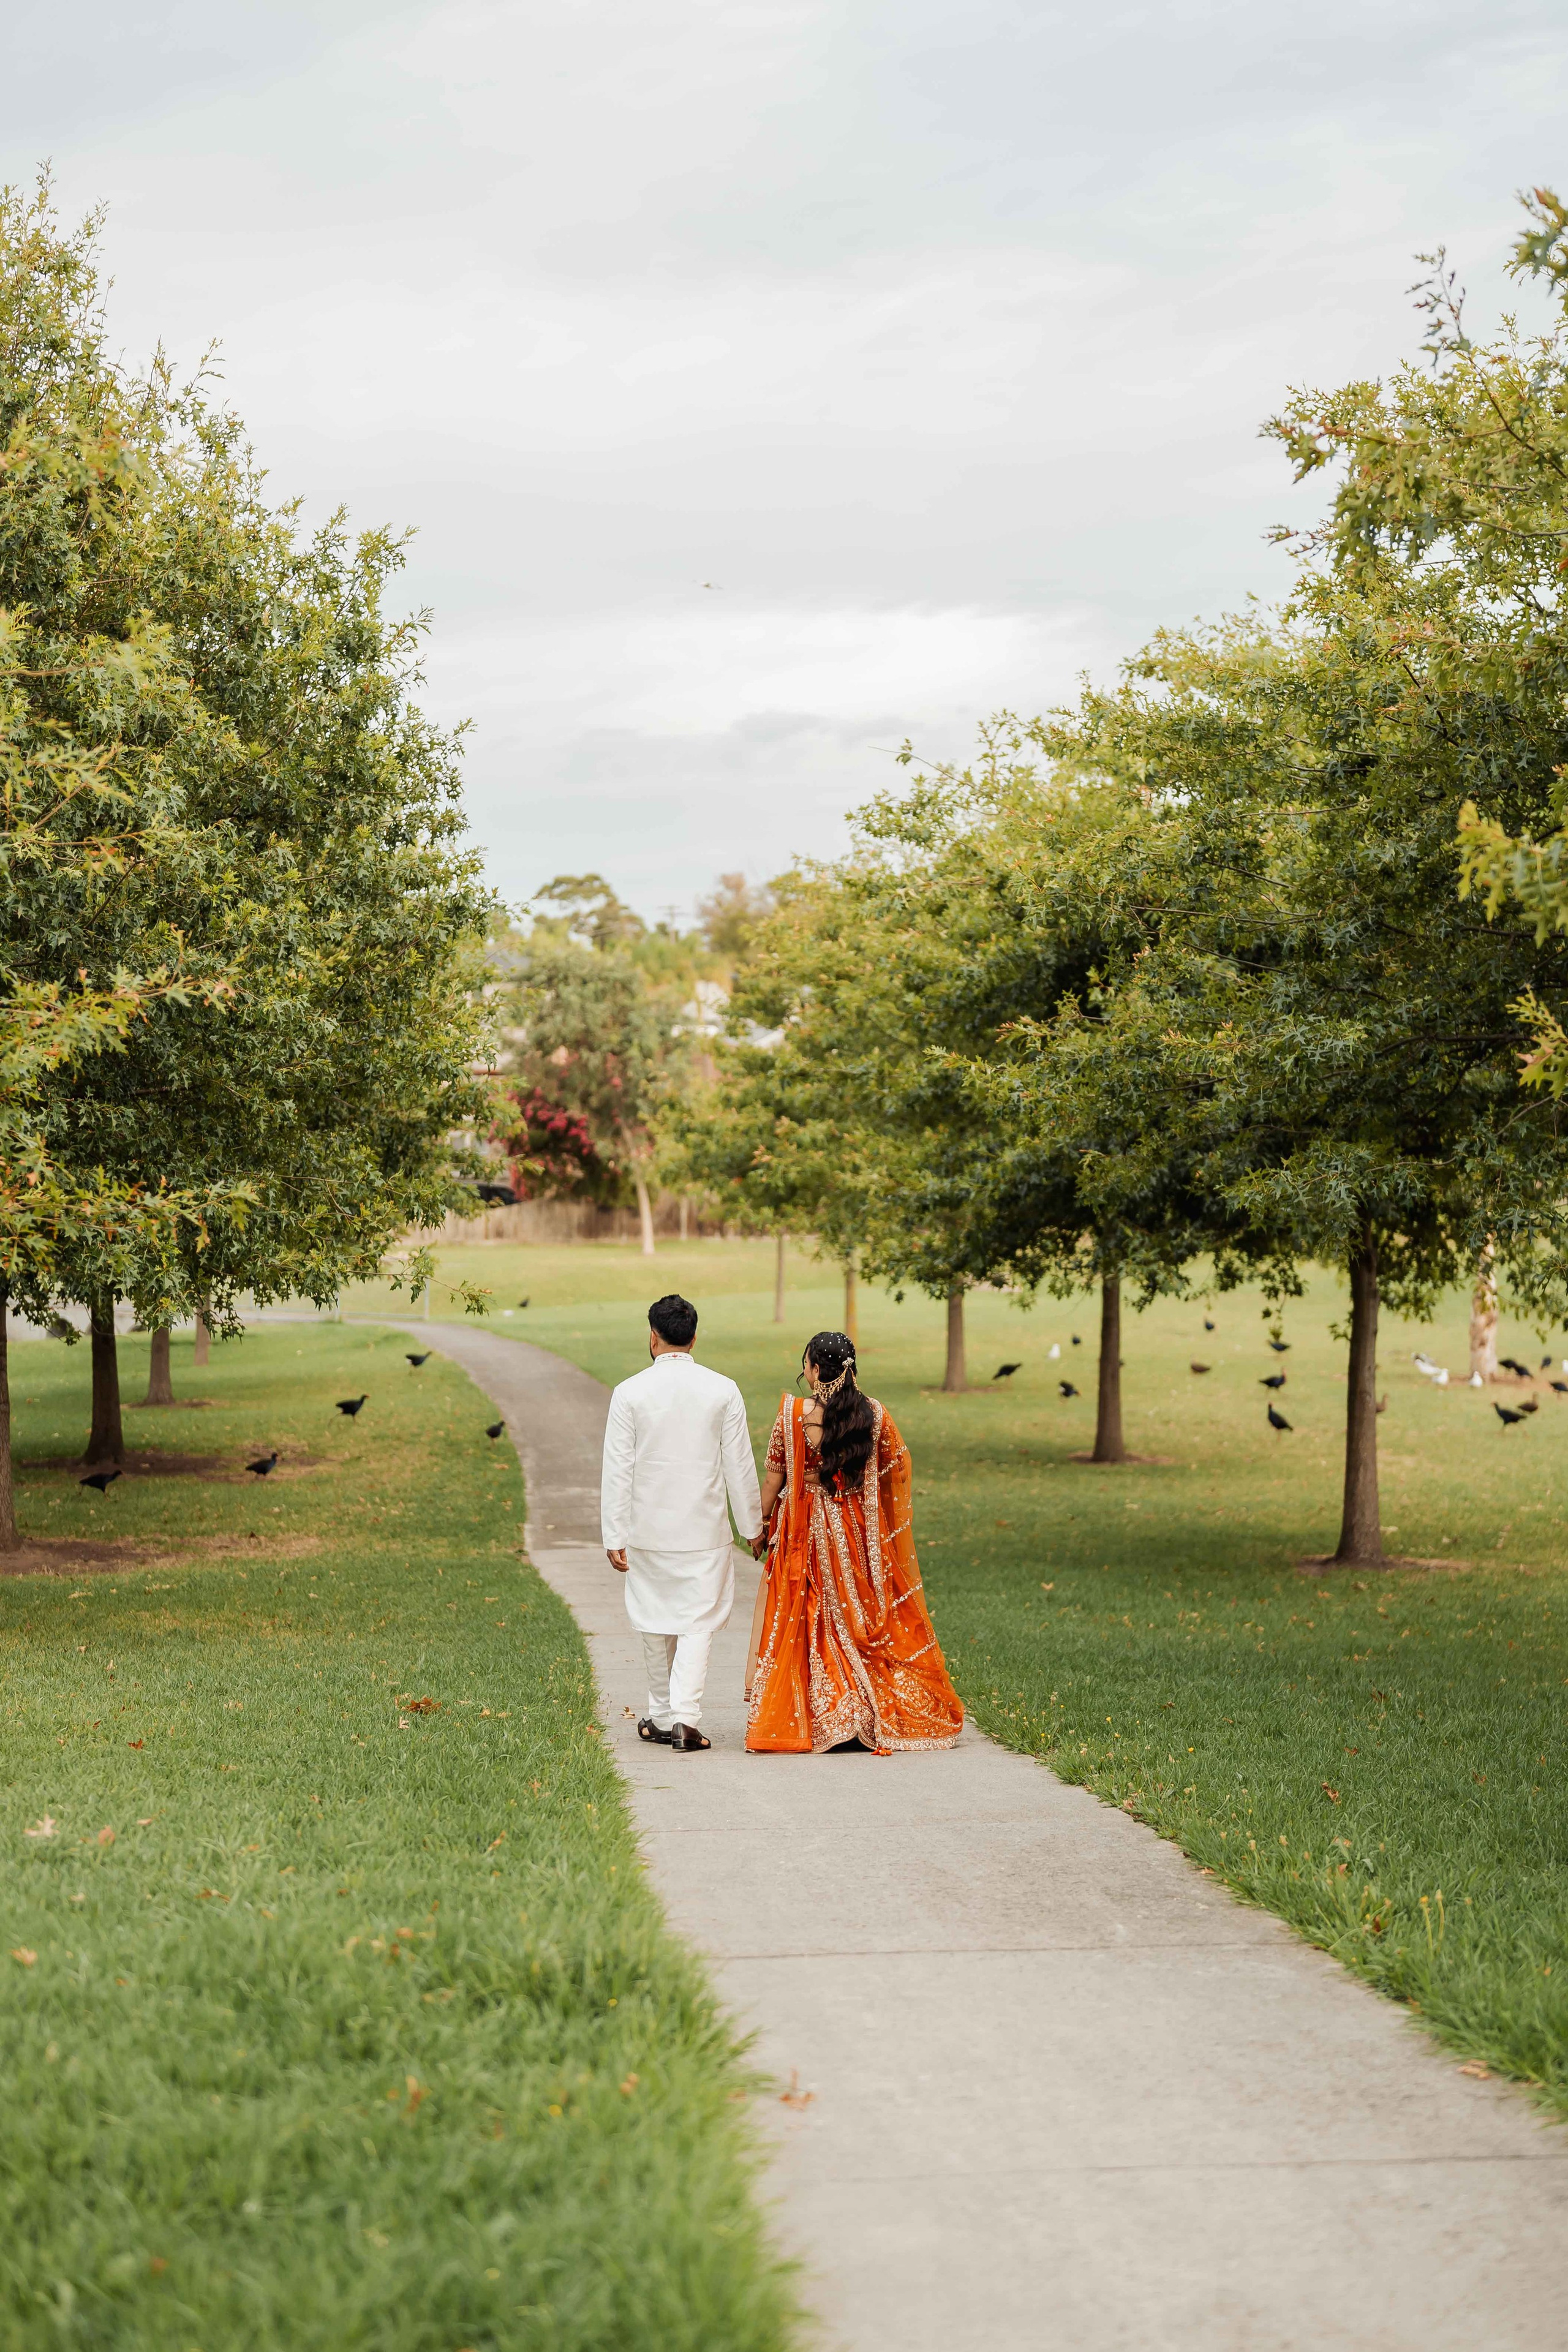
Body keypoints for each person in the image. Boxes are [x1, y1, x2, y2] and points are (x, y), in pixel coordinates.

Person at [747, 1330, 963, 1754]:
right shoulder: (875, 1416)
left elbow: (774, 1476)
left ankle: (823, 1714)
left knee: (808, 1613)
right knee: (854, 1614)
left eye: (806, 1363)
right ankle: (861, 1709)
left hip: (802, 1530)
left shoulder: (793, 1416)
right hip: (854, 1532)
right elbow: (896, 1470)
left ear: (814, 1370)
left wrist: (763, 1523)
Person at [601, 1292, 764, 1753]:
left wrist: (613, 1533)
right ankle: (684, 1719)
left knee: (654, 1620)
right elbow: (739, 1464)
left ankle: (661, 1714)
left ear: (653, 1337)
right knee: (697, 1622)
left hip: (646, 1529)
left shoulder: (629, 1392)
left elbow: (618, 1467)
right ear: (693, 1338)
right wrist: (752, 1526)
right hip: (704, 1530)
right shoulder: (722, 1389)